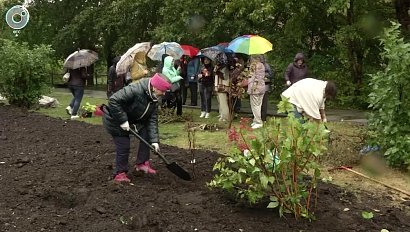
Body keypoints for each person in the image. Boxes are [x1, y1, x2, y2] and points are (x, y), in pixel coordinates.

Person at [102, 73, 172, 183]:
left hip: (133, 120)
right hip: (115, 119)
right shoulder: (135, 89)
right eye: (162, 91)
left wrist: (155, 141)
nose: (163, 93)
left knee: (147, 133)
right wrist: (122, 120)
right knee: (124, 145)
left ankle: (142, 164)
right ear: (154, 87)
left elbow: (152, 119)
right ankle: (120, 173)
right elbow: (113, 100)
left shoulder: (154, 98)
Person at [247, 55, 266, 129]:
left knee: (255, 105)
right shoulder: (262, 65)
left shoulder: (253, 66)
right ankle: (255, 120)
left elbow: (251, 78)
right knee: (259, 104)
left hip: (254, 88)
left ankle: (258, 121)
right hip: (262, 87)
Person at [261, 55, 274, 122]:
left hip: (265, 86)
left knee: (264, 103)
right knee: (258, 103)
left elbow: (271, 75)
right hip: (258, 87)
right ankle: (258, 116)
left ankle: (263, 117)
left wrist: (264, 74)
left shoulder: (267, 66)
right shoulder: (256, 66)